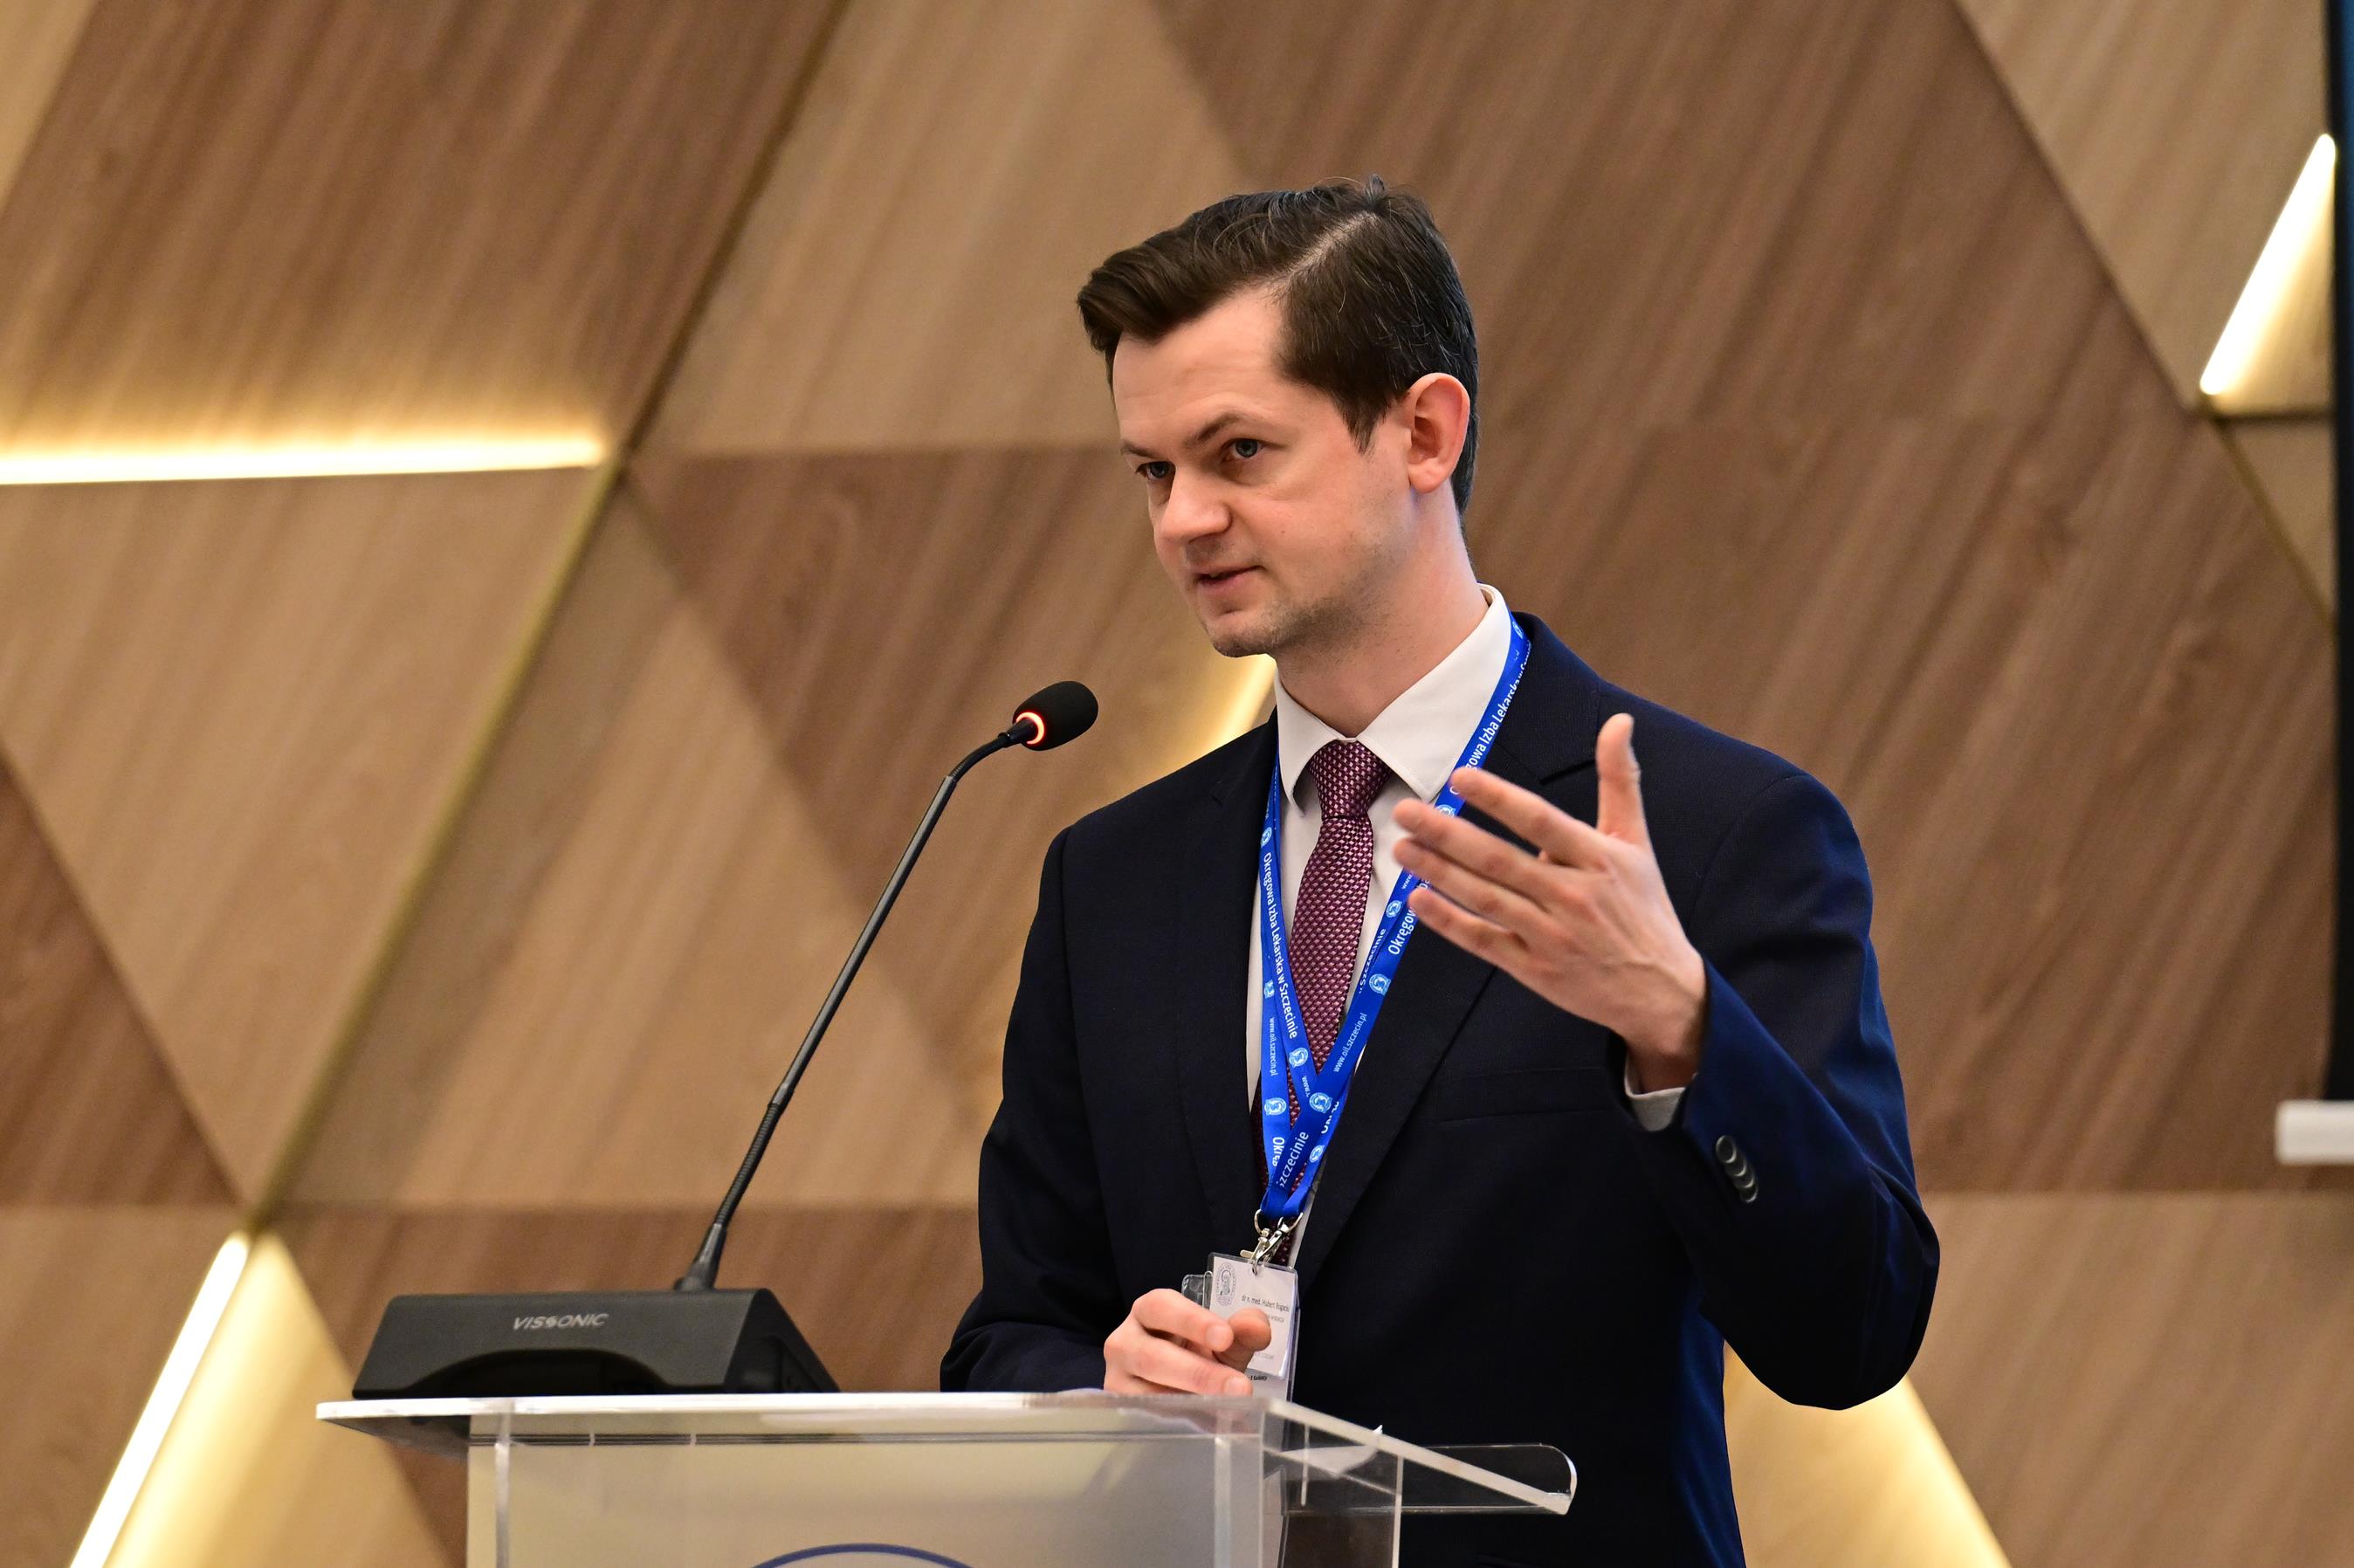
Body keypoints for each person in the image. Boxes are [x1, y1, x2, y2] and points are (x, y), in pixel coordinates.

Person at [940, 175, 1937, 1567]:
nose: (1182, 520)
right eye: (1154, 473)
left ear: (1423, 431)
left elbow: (1854, 1332)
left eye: (1238, 454)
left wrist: (1680, 1031)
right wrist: (1095, 1389)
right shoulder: (1111, 881)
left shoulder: (1714, 833)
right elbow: (1014, 1328)